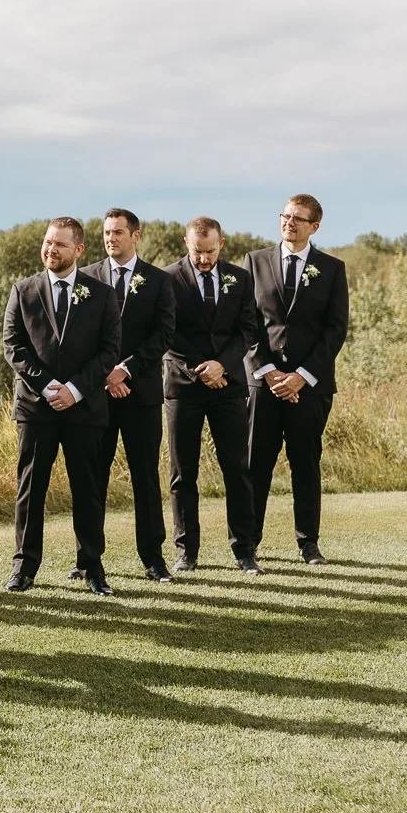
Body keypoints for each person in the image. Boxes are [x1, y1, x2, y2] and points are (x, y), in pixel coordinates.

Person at [2, 217, 122, 595]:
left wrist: (74, 389)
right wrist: (48, 385)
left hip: (84, 408)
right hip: (36, 408)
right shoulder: (23, 290)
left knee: (87, 489)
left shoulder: (101, 294)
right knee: (31, 488)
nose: (51, 250)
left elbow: (109, 351)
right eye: (47, 243)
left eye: (59, 245)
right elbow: (12, 347)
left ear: (79, 250)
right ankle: (24, 566)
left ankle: (91, 565)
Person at [244, 194, 349, 563]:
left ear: (314, 227)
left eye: (298, 219)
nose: (289, 222)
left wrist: (301, 377)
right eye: (285, 216)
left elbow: (336, 330)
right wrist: (270, 372)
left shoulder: (332, 269)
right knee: (256, 464)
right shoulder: (254, 262)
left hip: (310, 386)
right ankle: (247, 543)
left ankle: (308, 543)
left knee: (305, 463)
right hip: (263, 383)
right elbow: (247, 324)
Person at [162, 218, 264, 574]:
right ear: (185, 243)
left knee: (237, 469)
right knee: (182, 471)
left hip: (229, 386)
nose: (204, 259)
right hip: (183, 387)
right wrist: (200, 369)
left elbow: (249, 330)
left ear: (222, 243)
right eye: (196, 252)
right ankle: (186, 551)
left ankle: (244, 550)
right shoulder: (168, 279)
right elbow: (166, 333)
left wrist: (222, 365)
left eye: (210, 251)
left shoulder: (241, 277)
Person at [81, 209, 177, 582]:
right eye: (106, 232)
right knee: (92, 477)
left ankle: (153, 557)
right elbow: (79, 336)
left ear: (135, 236)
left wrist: (127, 369)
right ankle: (88, 557)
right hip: (96, 395)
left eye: (118, 232)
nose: (111, 238)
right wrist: (106, 374)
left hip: (141, 395)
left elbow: (163, 335)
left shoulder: (158, 280)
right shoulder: (86, 277)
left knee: (145, 477)